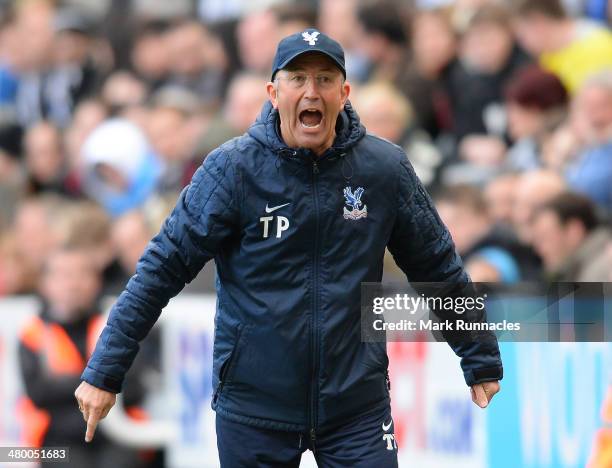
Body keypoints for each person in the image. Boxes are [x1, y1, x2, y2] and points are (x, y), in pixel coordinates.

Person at [75, 29, 502, 467]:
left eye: (324, 79)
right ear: (273, 92)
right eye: (297, 78)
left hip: (356, 407)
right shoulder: (232, 170)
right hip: (254, 410)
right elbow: (160, 270)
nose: (310, 91)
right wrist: (106, 370)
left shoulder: (384, 169)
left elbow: (437, 266)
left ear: (344, 93)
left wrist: (479, 354)